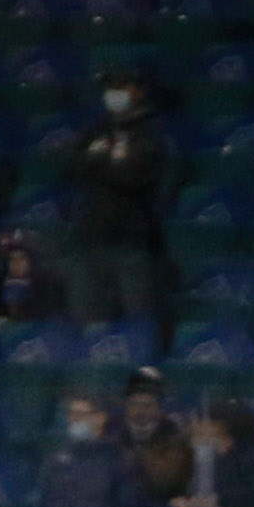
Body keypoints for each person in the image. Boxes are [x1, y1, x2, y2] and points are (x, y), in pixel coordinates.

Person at [61, 68, 172, 346]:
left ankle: (143, 377)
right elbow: (71, 163)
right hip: (90, 239)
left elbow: (133, 175)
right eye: (110, 87)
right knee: (88, 324)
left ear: (138, 90)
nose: (114, 93)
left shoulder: (150, 131)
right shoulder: (98, 128)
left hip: (130, 240)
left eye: (121, 86)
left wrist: (97, 163)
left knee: (140, 322)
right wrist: (109, 162)